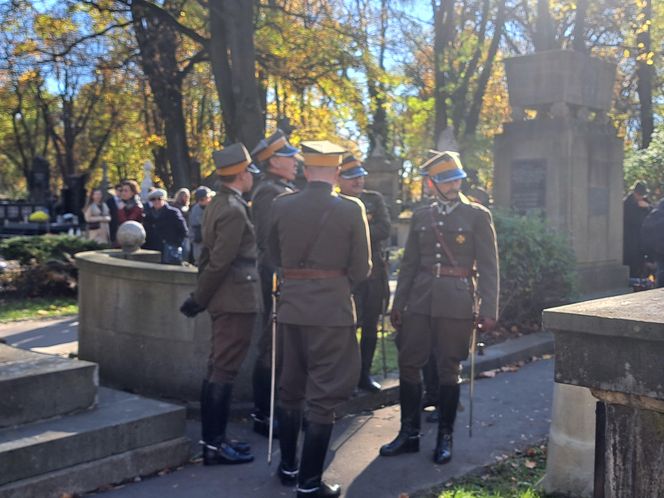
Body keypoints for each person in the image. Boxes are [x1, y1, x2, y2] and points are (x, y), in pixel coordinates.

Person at [380, 150, 498, 465]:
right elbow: (409, 265)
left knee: (449, 369)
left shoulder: (477, 215)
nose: (452, 186)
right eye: (446, 181)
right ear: (433, 183)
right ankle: (409, 433)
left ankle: (445, 435)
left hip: (457, 300)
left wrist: (489, 308)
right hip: (419, 299)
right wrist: (398, 302)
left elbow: (489, 267)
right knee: (409, 363)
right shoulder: (422, 216)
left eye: (456, 179)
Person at [268, 140, 371, 498]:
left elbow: (272, 254)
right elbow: (362, 268)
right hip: (331, 311)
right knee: (323, 397)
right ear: (336, 172)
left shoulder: (281, 205)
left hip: (292, 307)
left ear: (307, 170)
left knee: (290, 388)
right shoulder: (351, 208)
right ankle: (309, 485)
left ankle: (288, 466)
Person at [180, 143, 261, 466]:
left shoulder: (219, 204)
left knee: (218, 366)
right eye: (249, 173)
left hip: (227, 298)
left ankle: (215, 440)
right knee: (223, 369)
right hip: (235, 299)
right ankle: (213, 446)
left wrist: (203, 296)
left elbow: (206, 257)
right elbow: (220, 262)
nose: (252, 177)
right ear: (241, 174)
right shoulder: (233, 209)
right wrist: (199, 298)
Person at [248, 129, 301, 437]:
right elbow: (270, 239)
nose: (295, 161)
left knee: (284, 343)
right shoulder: (270, 192)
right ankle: (263, 414)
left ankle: (281, 409)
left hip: (285, 271)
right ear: (273, 162)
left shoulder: (284, 187)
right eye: (288, 157)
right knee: (272, 343)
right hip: (275, 272)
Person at [337, 154, 391, 392]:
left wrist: (355, 232)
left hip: (374, 274)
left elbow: (384, 229)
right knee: (347, 327)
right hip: (345, 275)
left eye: (360, 177)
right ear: (339, 179)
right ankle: (344, 377)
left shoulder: (373, 199)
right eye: (352, 178)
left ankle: (364, 375)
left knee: (370, 325)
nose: (358, 182)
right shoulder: (335, 201)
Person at [143, 189, 188, 264]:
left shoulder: (173, 213)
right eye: (153, 199)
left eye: (159, 199)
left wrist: (176, 244)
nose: (156, 201)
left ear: (164, 199)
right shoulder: (148, 215)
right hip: (153, 250)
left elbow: (183, 230)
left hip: (170, 249)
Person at [623, 181, 651, 279]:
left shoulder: (645, 202)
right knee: (632, 263)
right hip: (630, 239)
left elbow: (653, 215)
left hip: (641, 239)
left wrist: (647, 207)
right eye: (639, 195)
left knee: (640, 264)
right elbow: (631, 220)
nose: (640, 197)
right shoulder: (627, 203)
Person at [188, 186, 215, 265]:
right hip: (199, 242)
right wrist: (193, 239)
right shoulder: (196, 209)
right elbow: (192, 227)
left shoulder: (214, 207)